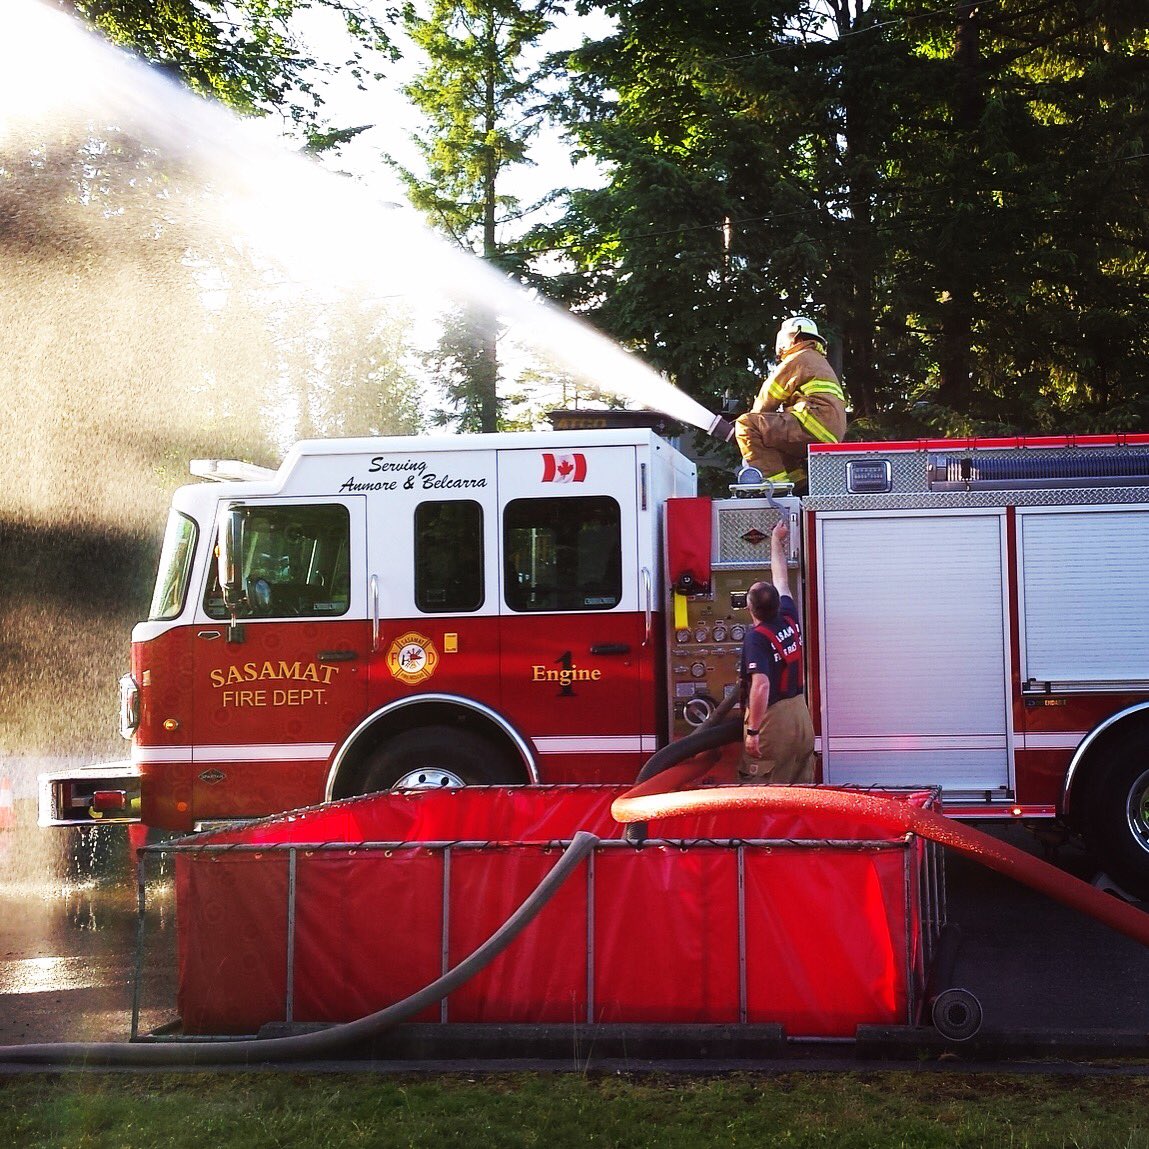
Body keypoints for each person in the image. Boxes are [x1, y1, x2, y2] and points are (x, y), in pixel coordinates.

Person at [739, 519, 815, 784]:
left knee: (766, 790)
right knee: (801, 790)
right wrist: (775, 539)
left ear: (750, 608)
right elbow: (781, 579)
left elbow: (761, 686)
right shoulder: (789, 616)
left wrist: (753, 731)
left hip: (774, 722)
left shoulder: (756, 638)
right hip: (801, 716)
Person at [734, 315, 847, 491]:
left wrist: (752, 428)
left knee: (746, 424)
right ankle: (798, 485)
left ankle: (776, 487)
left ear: (791, 339)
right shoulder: (818, 361)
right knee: (775, 442)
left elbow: (768, 397)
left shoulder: (798, 358)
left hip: (813, 423)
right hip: (830, 432)